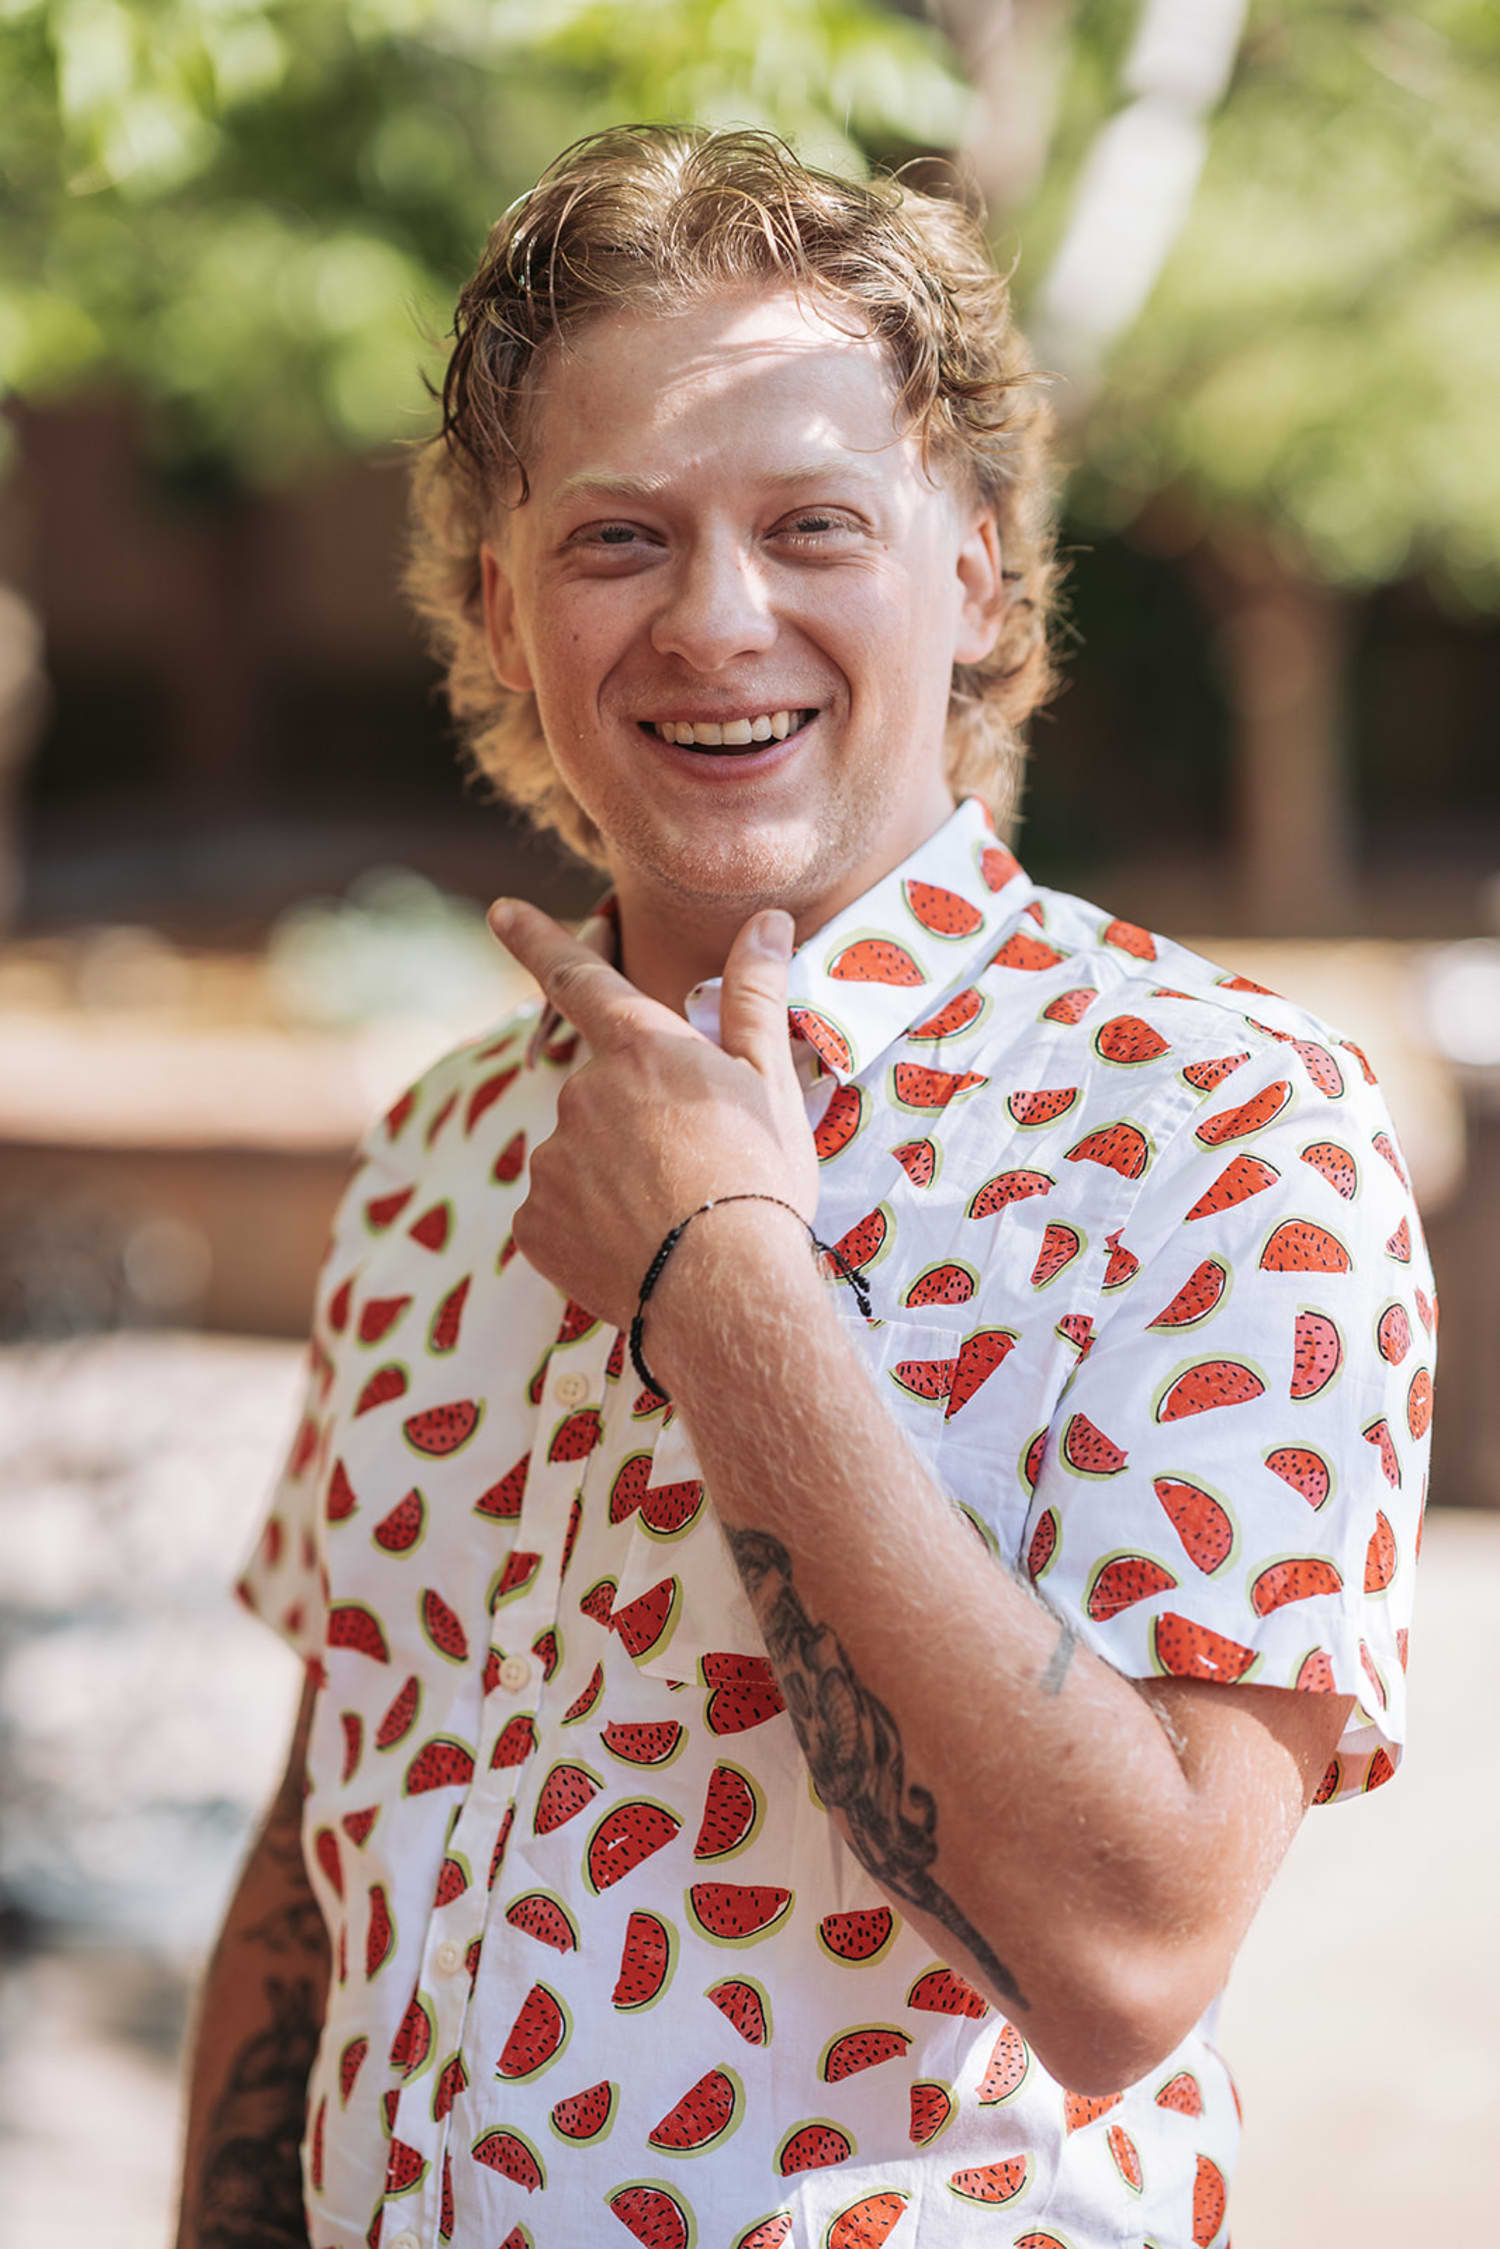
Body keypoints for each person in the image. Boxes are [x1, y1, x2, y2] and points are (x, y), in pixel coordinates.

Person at [177, 126, 1434, 2249]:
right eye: (616, 541)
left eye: (814, 523)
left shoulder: (1227, 1133)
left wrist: (726, 1285)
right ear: (500, 601)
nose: (717, 618)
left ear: (980, 572)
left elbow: (1124, 1959)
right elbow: (324, 1872)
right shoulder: (440, 1158)